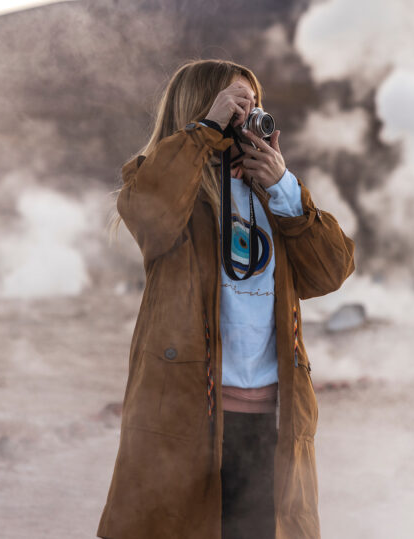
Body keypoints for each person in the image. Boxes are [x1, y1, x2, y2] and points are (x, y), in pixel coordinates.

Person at [97, 59, 355, 539]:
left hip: (271, 416)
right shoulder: (168, 184)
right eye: (236, 104)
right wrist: (205, 132)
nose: (248, 115)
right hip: (187, 415)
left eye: (254, 105)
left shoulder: (272, 192)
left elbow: (331, 271)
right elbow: (151, 217)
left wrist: (284, 187)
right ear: (200, 107)